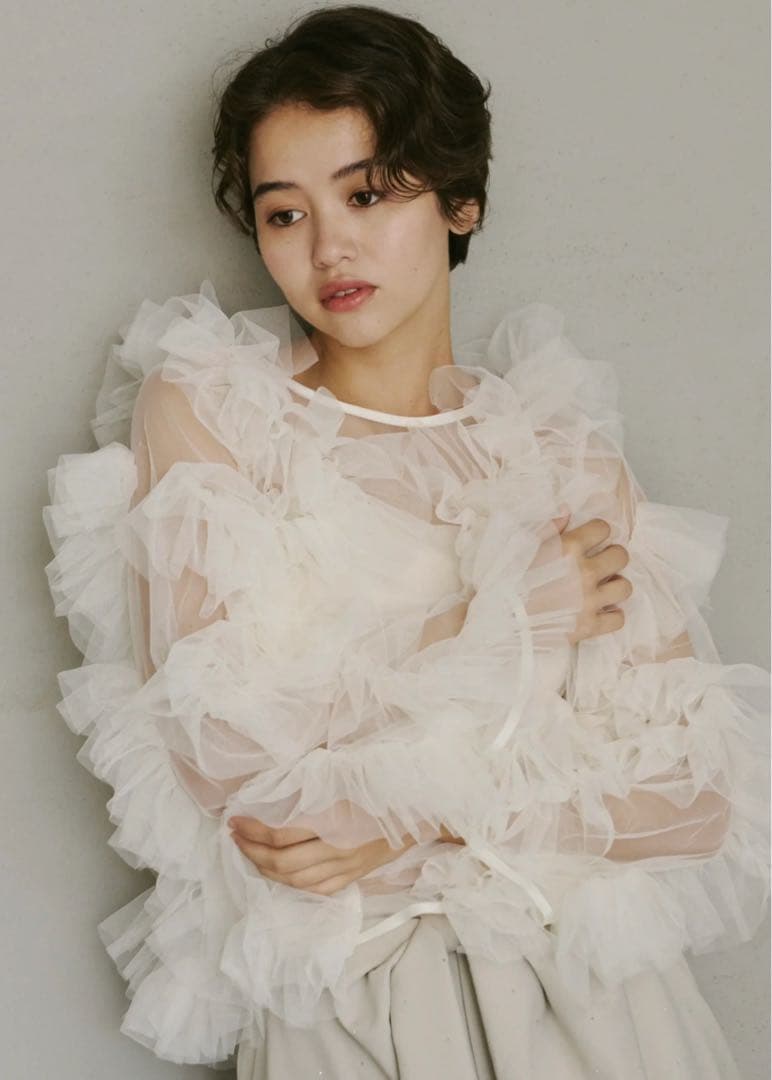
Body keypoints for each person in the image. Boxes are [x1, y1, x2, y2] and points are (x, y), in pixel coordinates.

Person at [42, 5, 769, 1077]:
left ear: (460, 200)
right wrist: (499, 625)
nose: (328, 246)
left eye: (369, 194)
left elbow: (693, 800)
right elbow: (228, 757)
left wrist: (424, 821)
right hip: (352, 1003)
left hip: (598, 1015)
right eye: (285, 214)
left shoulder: (558, 457)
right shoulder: (215, 413)